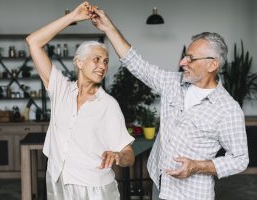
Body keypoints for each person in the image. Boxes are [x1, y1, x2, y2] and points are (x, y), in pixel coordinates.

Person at [88, 5, 249, 200]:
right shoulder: (173, 83)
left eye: (191, 58)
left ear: (212, 64)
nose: (182, 62)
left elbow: (240, 159)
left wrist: (198, 166)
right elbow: (136, 63)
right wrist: (108, 28)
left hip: (192, 194)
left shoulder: (228, 110)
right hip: (160, 183)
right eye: (185, 57)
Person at [26, 2, 135, 200]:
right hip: (58, 180)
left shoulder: (108, 104)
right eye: (96, 59)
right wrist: (72, 18)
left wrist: (119, 156)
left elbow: (129, 153)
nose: (102, 65)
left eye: (105, 61)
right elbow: (33, 42)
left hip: (94, 188)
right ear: (79, 62)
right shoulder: (61, 90)